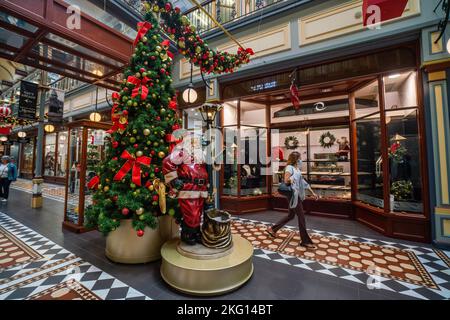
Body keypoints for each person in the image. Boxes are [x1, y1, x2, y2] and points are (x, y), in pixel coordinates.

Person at [267, 151, 319, 249]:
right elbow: (286, 180)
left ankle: (273, 229)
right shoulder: (289, 168)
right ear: (296, 159)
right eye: (300, 158)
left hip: (295, 194)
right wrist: (291, 180)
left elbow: (303, 182)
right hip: (293, 195)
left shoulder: (296, 168)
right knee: (301, 217)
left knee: (291, 215)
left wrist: (312, 192)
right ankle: (305, 241)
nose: (301, 160)